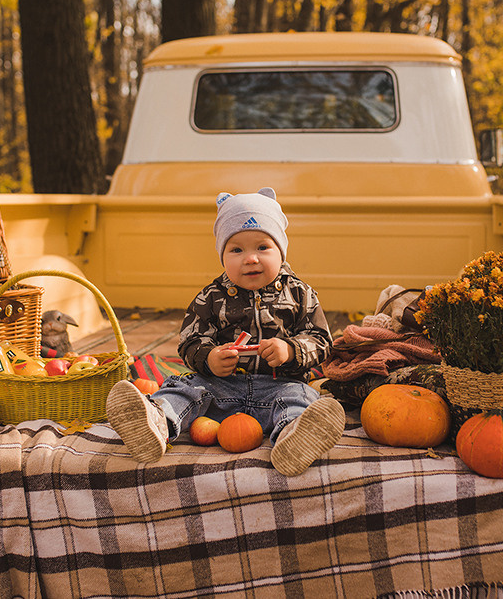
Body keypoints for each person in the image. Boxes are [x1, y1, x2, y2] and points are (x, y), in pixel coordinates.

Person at [106, 187, 345, 476]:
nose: (250, 258)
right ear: (223, 255)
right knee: (184, 388)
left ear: (281, 250)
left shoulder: (300, 294)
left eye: (262, 247)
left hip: (279, 386)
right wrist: (209, 358)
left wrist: (291, 350)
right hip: (221, 389)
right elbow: (190, 341)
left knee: (301, 399)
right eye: (236, 250)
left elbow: (321, 340)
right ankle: (156, 423)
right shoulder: (211, 297)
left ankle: (293, 440)